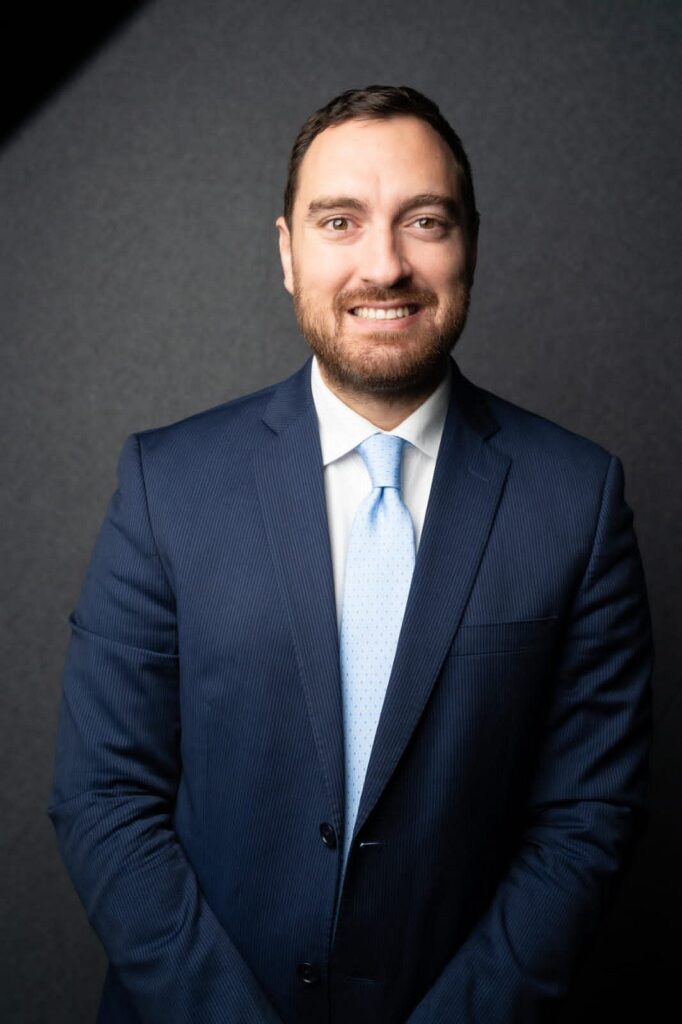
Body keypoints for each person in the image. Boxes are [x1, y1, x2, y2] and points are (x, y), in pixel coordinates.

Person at [48, 85, 653, 1024]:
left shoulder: (577, 499)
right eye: (340, 222)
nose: (386, 265)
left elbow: (587, 818)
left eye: (425, 221)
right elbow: (103, 794)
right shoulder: (166, 484)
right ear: (288, 252)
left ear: (471, 244)